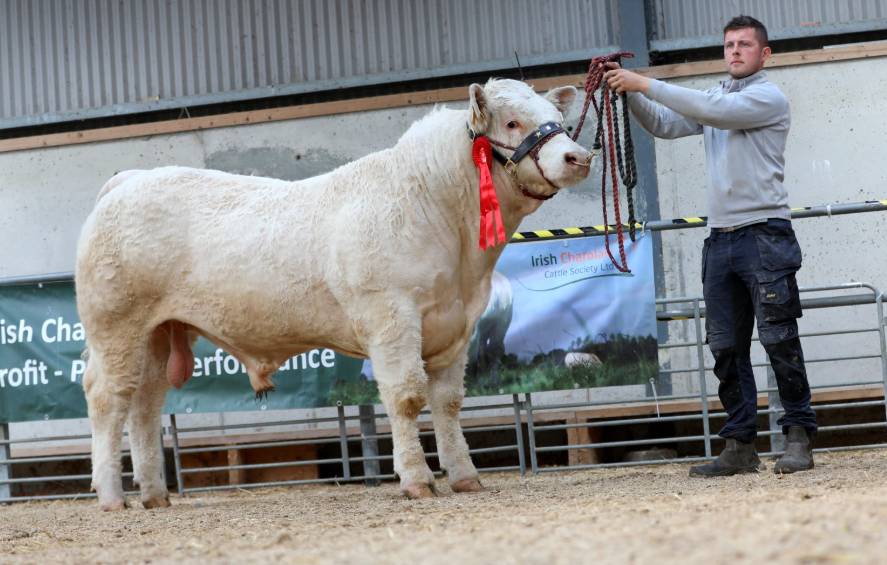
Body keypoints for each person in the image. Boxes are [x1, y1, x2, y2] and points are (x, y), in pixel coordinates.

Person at [603, 15, 817, 476]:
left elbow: (708, 111)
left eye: (744, 44)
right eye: (729, 45)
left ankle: (798, 436)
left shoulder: (766, 97)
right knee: (726, 348)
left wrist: (645, 81)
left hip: (763, 232)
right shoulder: (716, 98)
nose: (735, 51)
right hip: (723, 238)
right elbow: (664, 123)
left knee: (779, 340)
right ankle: (741, 445)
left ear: (765, 54)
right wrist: (631, 94)